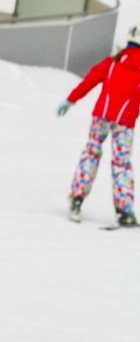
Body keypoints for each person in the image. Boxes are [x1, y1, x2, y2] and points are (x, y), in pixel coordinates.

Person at [59, 27, 140, 226]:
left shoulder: (112, 61)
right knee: (121, 164)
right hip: (125, 123)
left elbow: (90, 80)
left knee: (91, 154)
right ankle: (124, 211)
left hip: (100, 118)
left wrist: (71, 99)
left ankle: (77, 198)